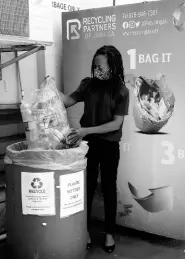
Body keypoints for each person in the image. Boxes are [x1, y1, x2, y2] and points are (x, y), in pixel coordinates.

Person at [60, 45, 129, 253]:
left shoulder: (121, 91)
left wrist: (84, 130)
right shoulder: (88, 85)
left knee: (108, 187)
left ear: (113, 66)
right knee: (87, 187)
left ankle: (109, 233)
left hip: (108, 145)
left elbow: (116, 124)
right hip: (88, 145)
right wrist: (52, 90)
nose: (97, 69)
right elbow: (69, 101)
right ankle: (86, 230)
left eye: (100, 66)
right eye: (95, 65)